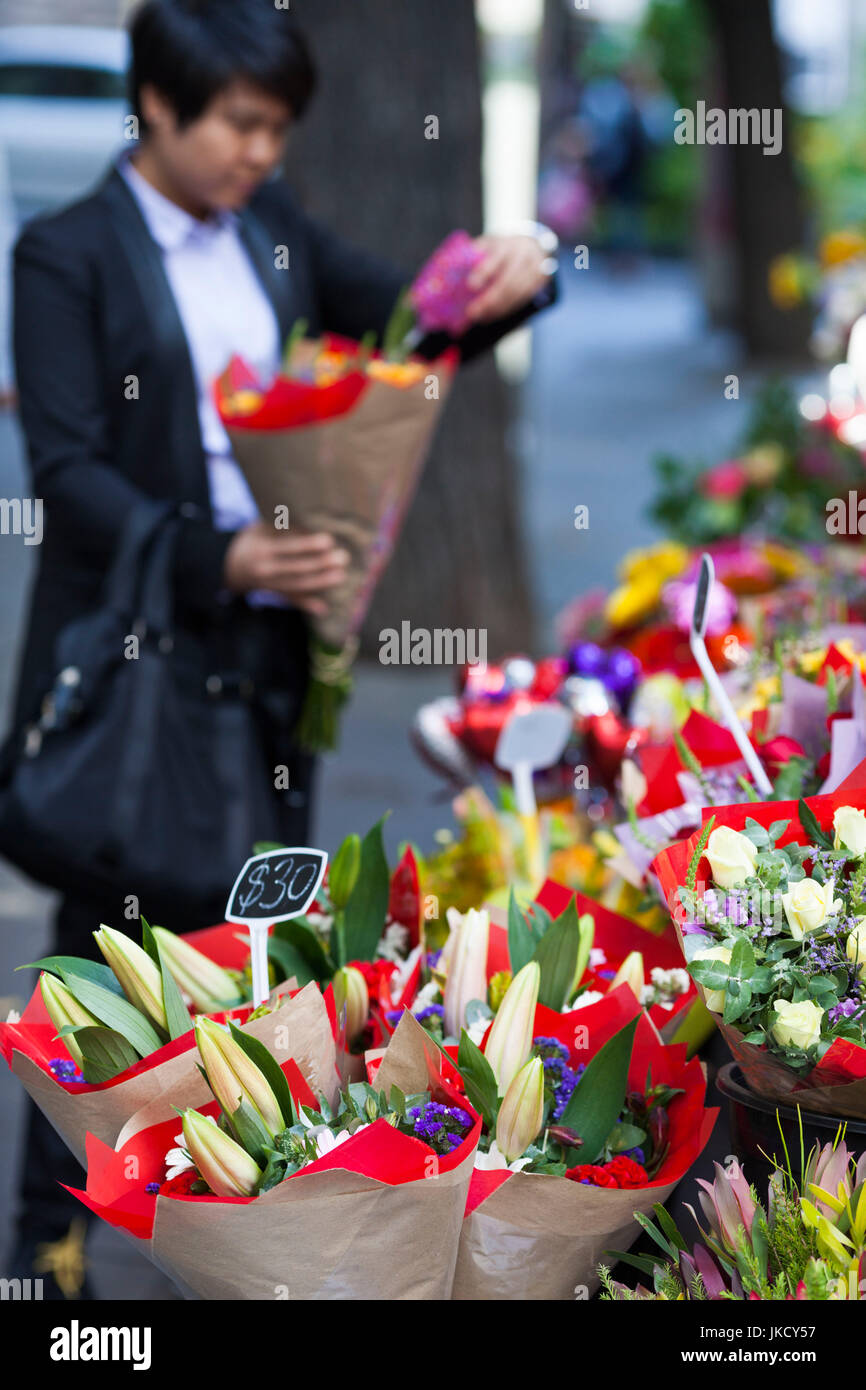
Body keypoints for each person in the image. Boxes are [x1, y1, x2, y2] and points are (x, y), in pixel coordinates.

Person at [6, 0, 556, 1296]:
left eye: (277, 128)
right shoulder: (64, 252)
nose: (261, 151)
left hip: (269, 662)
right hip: (146, 651)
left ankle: (222, 1220)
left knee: (265, 942)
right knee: (110, 955)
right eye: (241, 124)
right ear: (156, 103)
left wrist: (510, 287)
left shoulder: (270, 232)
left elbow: (402, 331)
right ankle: (48, 1244)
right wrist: (222, 554)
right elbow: (68, 469)